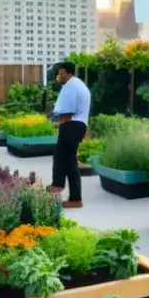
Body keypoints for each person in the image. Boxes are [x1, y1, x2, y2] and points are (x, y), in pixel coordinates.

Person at [49, 61, 91, 209]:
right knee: (65, 158)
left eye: (60, 73)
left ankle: (66, 191)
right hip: (79, 125)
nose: (59, 76)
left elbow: (68, 109)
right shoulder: (78, 84)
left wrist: (62, 123)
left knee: (65, 158)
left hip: (72, 125)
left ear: (66, 73)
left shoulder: (71, 85)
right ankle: (64, 190)